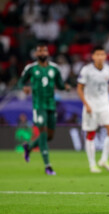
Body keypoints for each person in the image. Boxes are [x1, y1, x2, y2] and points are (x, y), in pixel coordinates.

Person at [20, 43, 70, 175]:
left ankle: (29, 147)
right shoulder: (30, 68)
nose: (42, 53)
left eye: (44, 51)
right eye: (39, 51)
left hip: (51, 105)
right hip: (38, 105)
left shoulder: (55, 68)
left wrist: (65, 87)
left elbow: (59, 84)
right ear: (36, 54)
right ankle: (48, 166)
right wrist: (24, 87)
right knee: (42, 132)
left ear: (48, 53)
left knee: (49, 136)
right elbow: (21, 81)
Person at [77, 46, 109, 173]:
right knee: (91, 134)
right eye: (98, 54)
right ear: (93, 56)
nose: (100, 57)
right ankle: (92, 165)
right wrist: (86, 104)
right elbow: (79, 88)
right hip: (91, 105)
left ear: (105, 56)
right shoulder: (87, 70)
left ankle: (104, 160)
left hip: (105, 105)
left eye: (103, 54)